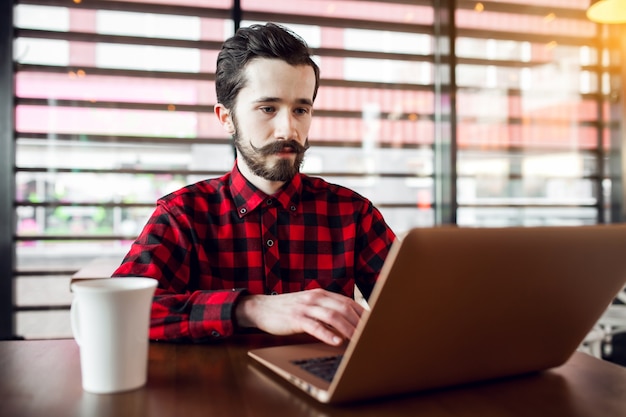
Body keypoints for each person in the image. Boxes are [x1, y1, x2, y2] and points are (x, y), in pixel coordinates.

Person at [113, 22, 396, 346]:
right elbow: (120, 310)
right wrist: (250, 308)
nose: (287, 130)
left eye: (301, 109)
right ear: (226, 118)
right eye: (268, 108)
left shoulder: (352, 214)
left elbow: (413, 311)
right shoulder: (183, 215)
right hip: (215, 392)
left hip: (325, 390)